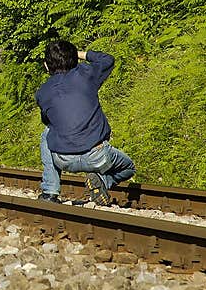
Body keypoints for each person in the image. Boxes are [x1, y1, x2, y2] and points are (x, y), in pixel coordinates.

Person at [35, 40, 135, 205]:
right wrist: (80, 54)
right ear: (75, 59)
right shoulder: (86, 74)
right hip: (98, 156)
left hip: (63, 159)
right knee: (128, 167)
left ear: (46, 66)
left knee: (47, 133)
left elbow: (48, 122)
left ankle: (49, 192)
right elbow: (107, 59)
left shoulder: (42, 92)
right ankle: (103, 181)